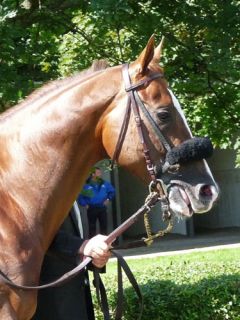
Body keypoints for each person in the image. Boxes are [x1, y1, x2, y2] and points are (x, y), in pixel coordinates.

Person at [32, 201, 111, 320]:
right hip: (52, 300)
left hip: (77, 295)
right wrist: (82, 246)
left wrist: (93, 257)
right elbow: (34, 230)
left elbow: (76, 234)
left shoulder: (74, 193)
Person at [78, 167, 115, 238]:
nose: (100, 174)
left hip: (102, 208)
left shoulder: (104, 184)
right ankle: (92, 246)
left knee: (104, 227)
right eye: (98, 173)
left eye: (100, 173)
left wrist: (108, 199)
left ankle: (104, 245)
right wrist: (85, 205)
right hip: (92, 209)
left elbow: (112, 191)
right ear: (93, 174)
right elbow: (81, 197)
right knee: (92, 228)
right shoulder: (87, 185)